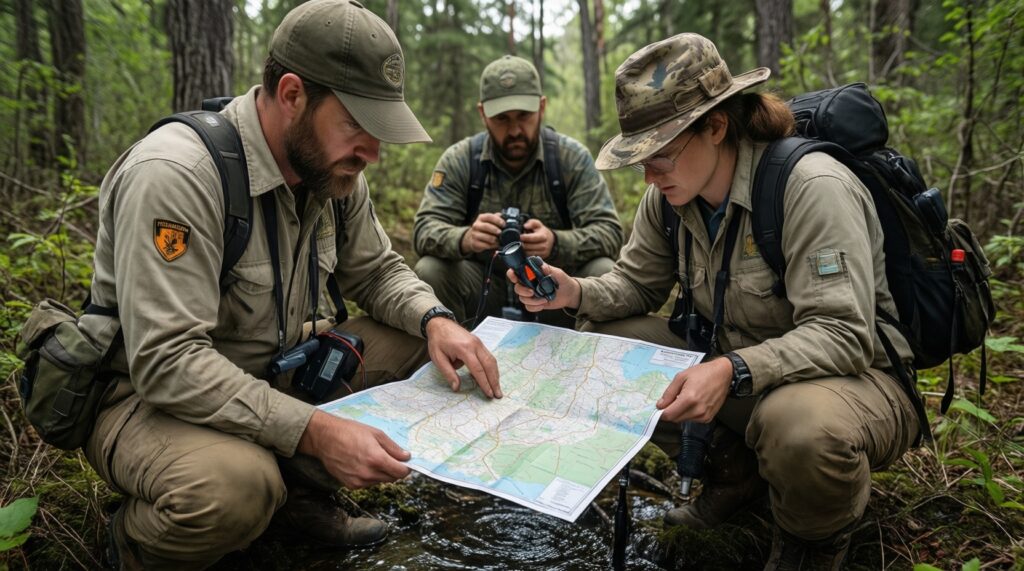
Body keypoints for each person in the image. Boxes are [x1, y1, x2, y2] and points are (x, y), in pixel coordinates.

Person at [80, 1, 501, 568]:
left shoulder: (333, 171)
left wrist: (436, 321)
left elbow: (376, 271)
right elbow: (167, 362)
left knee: (425, 353)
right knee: (233, 491)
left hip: (273, 375)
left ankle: (298, 501)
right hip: (151, 399)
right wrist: (315, 430)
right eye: (357, 124)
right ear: (292, 94)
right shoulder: (176, 176)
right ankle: (133, 546)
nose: (373, 153)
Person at [508, 34, 921, 570]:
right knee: (607, 346)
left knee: (797, 428)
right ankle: (735, 477)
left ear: (717, 126)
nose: (650, 174)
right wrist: (575, 291)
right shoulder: (670, 199)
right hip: (745, 373)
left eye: (662, 154)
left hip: (856, 381)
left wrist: (731, 369)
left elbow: (844, 334)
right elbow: (634, 286)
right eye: (641, 160)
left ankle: (812, 542)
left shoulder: (811, 188)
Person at [413, 55, 623, 327]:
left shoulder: (569, 158)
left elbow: (610, 232)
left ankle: (586, 361)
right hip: (484, 291)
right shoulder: (460, 160)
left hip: (552, 292)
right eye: (501, 118)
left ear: (542, 107)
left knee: (603, 270)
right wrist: (466, 237)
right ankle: (455, 353)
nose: (514, 130)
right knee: (431, 270)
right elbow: (423, 230)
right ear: (482, 114)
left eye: (524, 116)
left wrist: (556, 243)